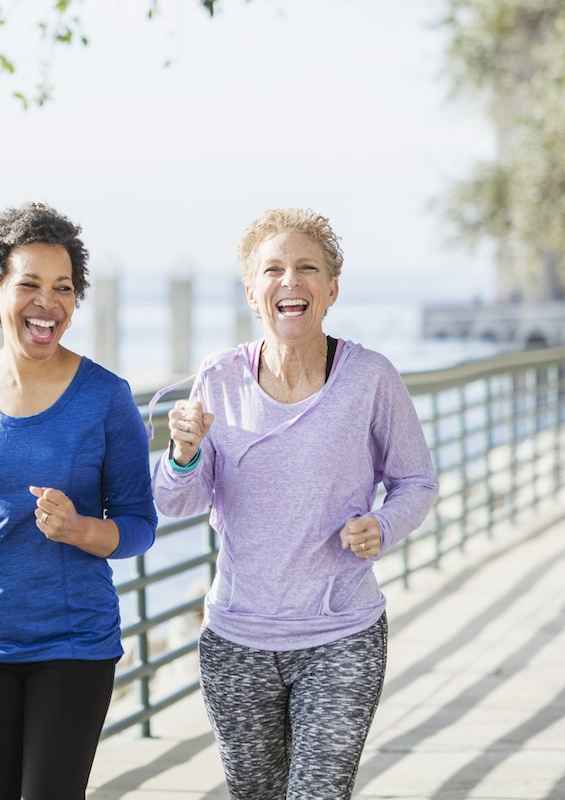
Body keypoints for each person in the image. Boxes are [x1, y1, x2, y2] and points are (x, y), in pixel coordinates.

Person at [152, 207, 438, 799]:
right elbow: (175, 502)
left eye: (307, 268)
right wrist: (182, 450)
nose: (290, 281)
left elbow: (417, 481)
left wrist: (381, 526)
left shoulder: (370, 378)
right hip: (237, 639)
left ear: (330, 289)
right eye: (273, 269)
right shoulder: (219, 379)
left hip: (342, 634)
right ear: (253, 293)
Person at [0, 201, 158, 800]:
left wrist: (79, 530)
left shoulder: (106, 397)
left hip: (72, 643)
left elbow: (140, 525)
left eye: (63, 288)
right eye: (30, 285)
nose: (49, 302)